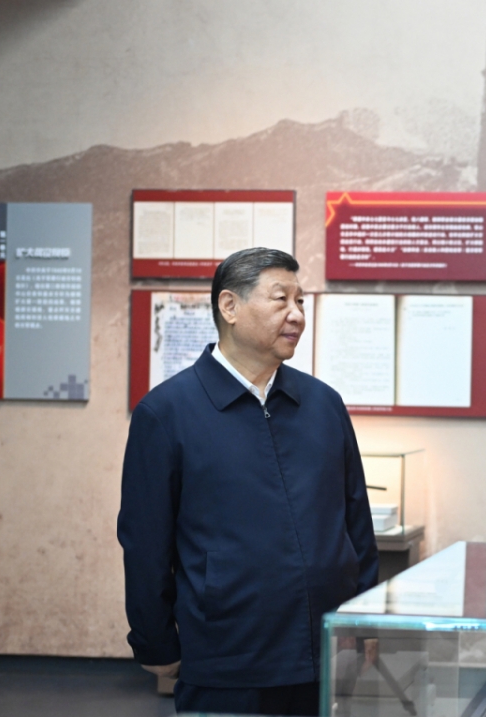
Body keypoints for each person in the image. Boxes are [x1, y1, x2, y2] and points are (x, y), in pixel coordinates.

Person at [117, 247, 378, 716]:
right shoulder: (167, 412)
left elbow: (357, 523)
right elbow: (145, 544)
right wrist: (155, 643)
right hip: (227, 659)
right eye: (281, 299)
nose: (296, 315)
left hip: (326, 654)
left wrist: (366, 619)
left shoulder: (323, 405)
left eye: (300, 301)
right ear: (230, 307)